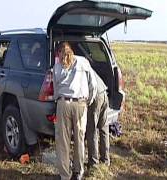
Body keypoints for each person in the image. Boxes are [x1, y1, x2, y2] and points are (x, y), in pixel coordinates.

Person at [53, 42, 97, 180]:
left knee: (63, 142)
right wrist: (88, 100)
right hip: (80, 104)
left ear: (59, 52)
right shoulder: (83, 62)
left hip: (63, 104)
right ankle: (78, 172)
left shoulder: (57, 66)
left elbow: (55, 87)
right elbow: (93, 84)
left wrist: (57, 100)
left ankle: (65, 175)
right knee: (79, 139)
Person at [86, 70, 110, 169]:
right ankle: (105, 160)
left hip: (95, 97)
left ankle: (93, 163)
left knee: (91, 130)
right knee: (104, 128)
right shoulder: (86, 64)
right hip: (104, 93)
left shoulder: (77, 67)